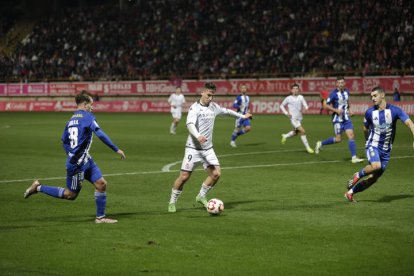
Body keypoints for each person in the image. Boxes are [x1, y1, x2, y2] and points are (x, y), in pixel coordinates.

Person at [24, 90, 126, 223]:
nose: (92, 107)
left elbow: (64, 141)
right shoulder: (87, 117)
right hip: (76, 165)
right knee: (70, 195)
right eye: (91, 104)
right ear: (84, 104)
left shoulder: (71, 120)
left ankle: (100, 218)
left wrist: (71, 153)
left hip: (85, 160)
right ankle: (38, 187)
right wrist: (116, 149)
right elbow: (100, 134)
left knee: (101, 184)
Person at [168, 82, 253, 212]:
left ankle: (201, 196)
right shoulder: (194, 108)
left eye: (213, 95)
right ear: (202, 92)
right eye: (208, 95)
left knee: (216, 174)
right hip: (193, 149)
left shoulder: (214, 107)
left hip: (207, 149)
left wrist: (243, 116)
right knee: (184, 177)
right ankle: (172, 202)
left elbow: (227, 112)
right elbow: (190, 124)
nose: (210, 98)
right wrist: (198, 136)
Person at [345, 86, 414, 202]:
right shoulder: (369, 113)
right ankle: (358, 174)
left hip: (386, 151)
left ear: (382, 95)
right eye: (371, 96)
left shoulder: (395, 110)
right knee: (376, 166)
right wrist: (368, 142)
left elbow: (411, 124)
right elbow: (364, 128)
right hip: (373, 145)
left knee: (373, 178)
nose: (372, 98)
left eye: (375, 95)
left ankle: (350, 193)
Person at [315, 76, 364, 163]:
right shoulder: (333, 94)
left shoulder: (347, 92)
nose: (341, 84)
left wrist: (350, 110)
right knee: (338, 139)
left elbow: (347, 102)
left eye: (342, 82)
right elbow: (325, 105)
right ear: (336, 84)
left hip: (346, 118)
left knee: (351, 135)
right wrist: (336, 110)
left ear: (344, 83)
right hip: (337, 119)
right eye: (339, 83)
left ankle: (354, 158)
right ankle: (320, 143)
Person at [280, 83, 314, 154]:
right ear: (291, 90)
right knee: (303, 131)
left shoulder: (301, 97)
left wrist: (304, 109)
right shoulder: (288, 98)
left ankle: (285, 136)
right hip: (293, 119)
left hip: (300, 118)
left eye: (297, 89)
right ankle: (308, 148)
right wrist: (287, 113)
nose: (295, 90)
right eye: (294, 89)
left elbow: (306, 106)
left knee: (295, 133)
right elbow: (281, 106)